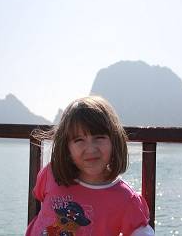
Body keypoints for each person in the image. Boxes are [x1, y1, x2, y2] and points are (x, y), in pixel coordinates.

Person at [26, 96, 154, 236]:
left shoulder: (126, 199)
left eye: (99, 137)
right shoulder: (51, 173)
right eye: (79, 140)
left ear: (114, 141)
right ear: (66, 147)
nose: (91, 149)